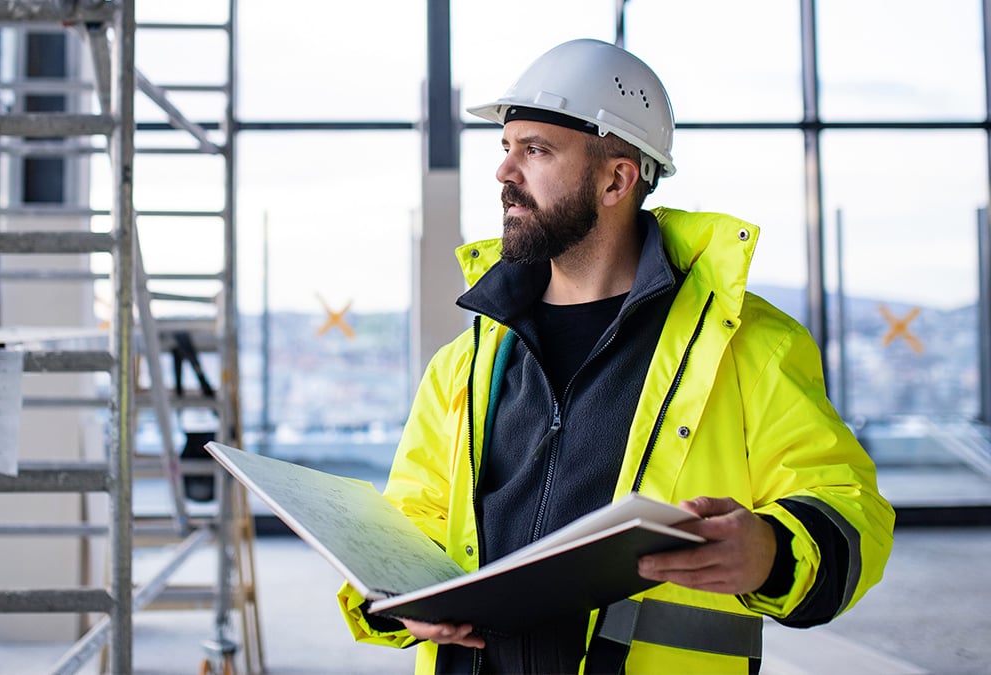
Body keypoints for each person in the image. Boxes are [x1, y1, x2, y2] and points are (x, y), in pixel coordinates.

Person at [337, 38, 895, 674]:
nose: (504, 173)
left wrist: (771, 550)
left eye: (536, 150)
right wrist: (391, 596)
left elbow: (852, 509)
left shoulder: (748, 347)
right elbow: (414, 520)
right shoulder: (465, 361)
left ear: (616, 178)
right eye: (505, 147)